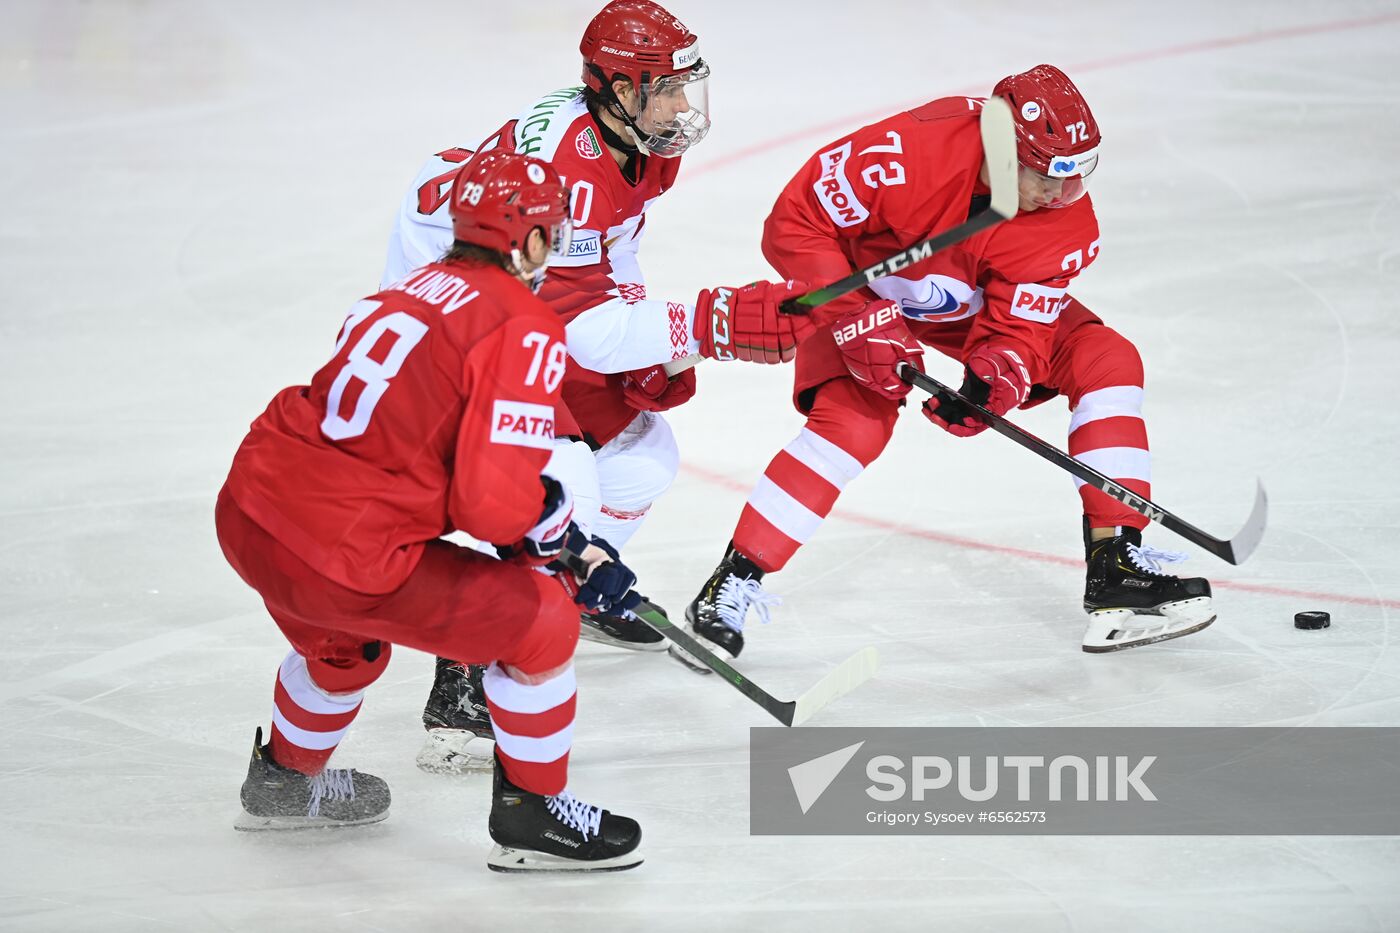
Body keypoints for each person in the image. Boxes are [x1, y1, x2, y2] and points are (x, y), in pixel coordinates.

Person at [382, 0, 809, 772]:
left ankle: (564, 589)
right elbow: (573, 322)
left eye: (688, 86)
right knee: (560, 478)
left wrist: (649, 331)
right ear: (617, 88)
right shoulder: (569, 170)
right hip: (458, 316)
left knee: (644, 456)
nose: (684, 108)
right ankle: (464, 677)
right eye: (668, 90)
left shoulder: (632, 143)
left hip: (525, 297)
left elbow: (609, 259)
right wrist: (705, 325)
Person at [676, 64, 1215, 667]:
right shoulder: (905, 153)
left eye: (1076, 175)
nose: (1062, 195)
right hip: (857, 289)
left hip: (963, 300)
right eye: (1048, 175)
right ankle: (732, 580)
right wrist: (858, 316)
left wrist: (996, 377)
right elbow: (793, 225)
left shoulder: (1062, 220)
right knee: (854, 424)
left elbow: (1020, 328)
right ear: (1005, 150)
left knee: (1106, 358)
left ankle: (1116, 563)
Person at [216, 149, 647, 872]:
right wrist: (560, 541)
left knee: (344, 645)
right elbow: (490, 504)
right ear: (533, 240)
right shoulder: (523, 320)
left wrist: (537, 519)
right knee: (541, 623)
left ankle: (284, 785)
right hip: (343, 552)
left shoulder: (403, 291)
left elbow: (402, 439)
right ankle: (532, 813)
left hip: (252, 512)